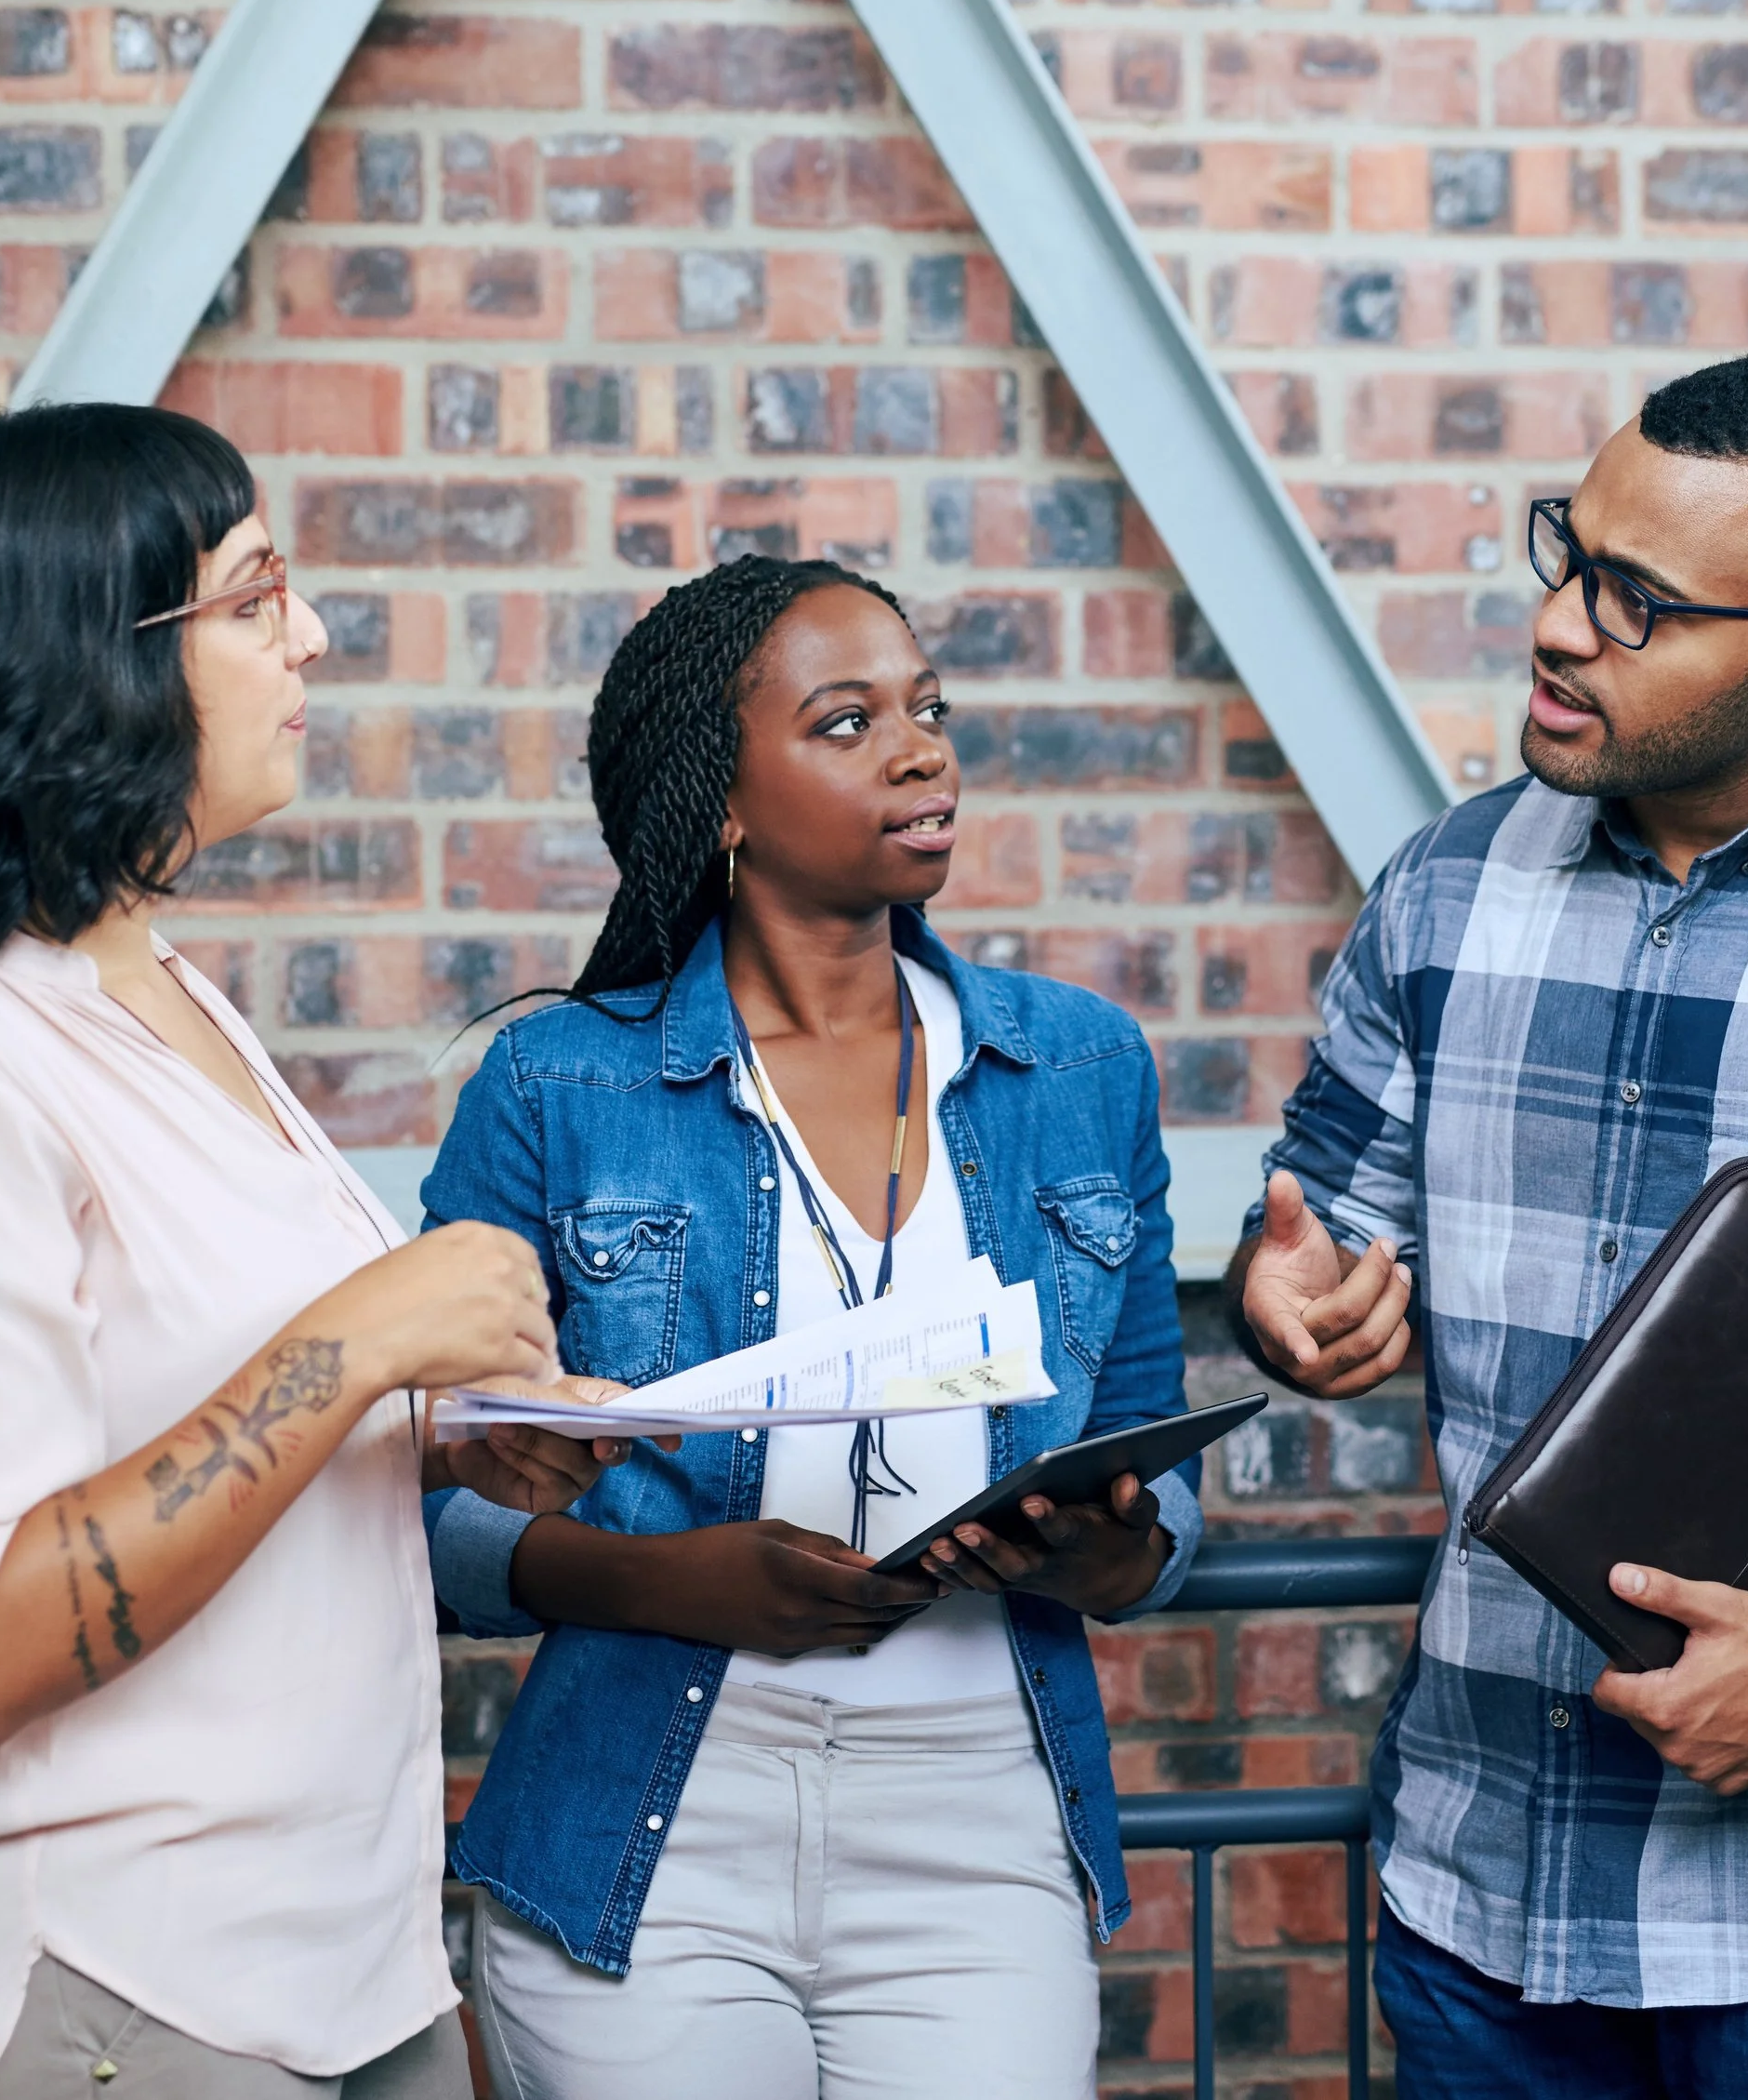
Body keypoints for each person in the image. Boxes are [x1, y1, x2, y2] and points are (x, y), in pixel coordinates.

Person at [0, 403, 594, 2100]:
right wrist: (362, 1341)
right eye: (259, 595)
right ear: (91, 660)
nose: (314, 638)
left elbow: (194, 1406)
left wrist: (454, 1434)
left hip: (338, 1971)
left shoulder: (153, 986)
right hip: (112, 1993)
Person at [1225, 352, 1748, 2097]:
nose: (1560, 623)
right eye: (1568, 552)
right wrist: (1288, 1296)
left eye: (1639, 601)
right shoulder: (1445, 889)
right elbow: (1322, 1217)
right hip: (1476, 1899)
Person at [419, 553, 1203, 2100]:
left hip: (982, 1828)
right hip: (653, 1830)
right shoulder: (558, 1089)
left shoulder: (1084, 1069)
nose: (922, 750)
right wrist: (667, 1584)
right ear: (720, 798)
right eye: (847, 723)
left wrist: (1102, 1550)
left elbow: (1158, 1481)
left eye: (927, 708)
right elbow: (432, 1501)